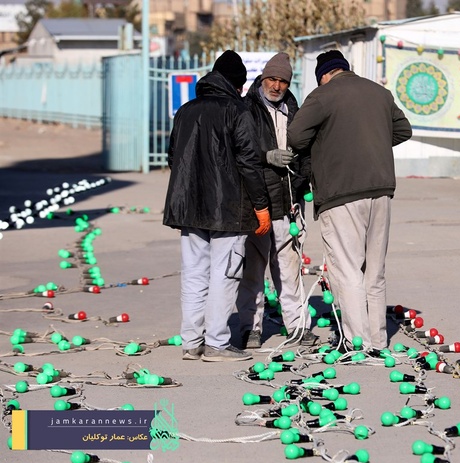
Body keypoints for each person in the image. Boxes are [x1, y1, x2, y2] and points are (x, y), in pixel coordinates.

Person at [287, 50, 412, 352]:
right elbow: (403, 130)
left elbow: (296, 137)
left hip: (341, 194)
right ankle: (378, 339)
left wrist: (326, 143)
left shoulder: (322, 96)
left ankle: (359, 342)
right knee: (375, 271)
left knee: (347, 268)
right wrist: (372, 140)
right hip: (381, 192)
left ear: (324, 75)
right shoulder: (379, 93)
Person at [163, 50, 271, 362]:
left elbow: (174, 158)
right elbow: (249, 162)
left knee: (194, 275)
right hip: (228, 210)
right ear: (236, 84)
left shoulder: (185, 111)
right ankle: (217, 344)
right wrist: (261, 206)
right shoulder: (238, 110)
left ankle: (191, 342)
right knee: (225, 276)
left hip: (189, 208)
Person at [237, 52, 318, 349]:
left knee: (288, 267)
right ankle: (250, 327)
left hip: (288, 202)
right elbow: (239, 153)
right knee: (253, 270)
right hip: (257, 202)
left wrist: (301, 183)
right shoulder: (246, 110)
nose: (276, 85)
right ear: (263, 79)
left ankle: (297, 326)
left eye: (283, 81)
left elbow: (306, 152)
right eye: (272, 79)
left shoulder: (293, 109)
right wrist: (266, 156)